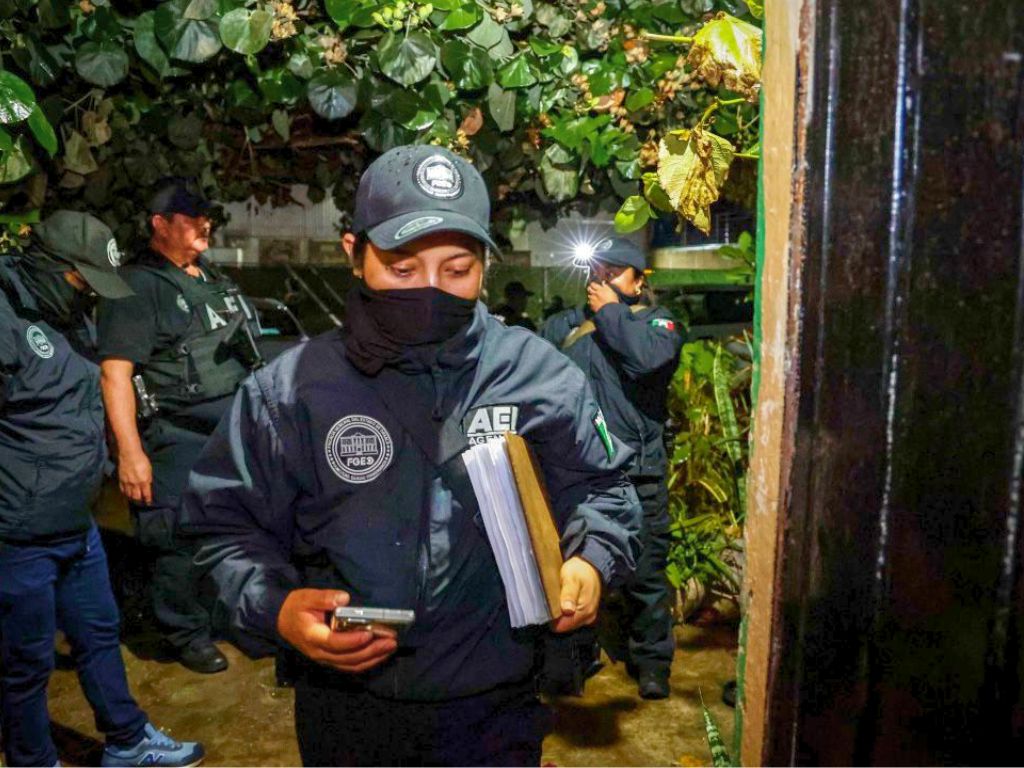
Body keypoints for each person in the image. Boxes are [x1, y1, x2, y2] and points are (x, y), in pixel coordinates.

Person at [179, 145, 641, 766]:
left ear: (484, 264)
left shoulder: (539, 374)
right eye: (402, 269)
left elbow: (605, 489)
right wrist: (278, 610)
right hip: (347, 708)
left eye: (457, 270)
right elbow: (221, 528)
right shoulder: (289, 391)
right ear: (354, 253)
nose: (430, 290)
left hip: (497, 704)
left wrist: (591, 559)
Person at [0, 210, 204, 766]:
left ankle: (127, 740)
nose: (89, 292)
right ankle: (32, 760)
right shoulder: (7, 317)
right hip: (20, 534)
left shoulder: (69, 314)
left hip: (76, 521)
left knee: (99, 633)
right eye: (81, 280)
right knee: (27, 662)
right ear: (49, 265)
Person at [97, 178, 262, 674]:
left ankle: (216, 616)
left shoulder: (207, 275)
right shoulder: (136, 286)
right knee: (175, 541)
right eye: (192, 217)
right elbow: (115, 374)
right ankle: (183, 633)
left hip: (227, 435)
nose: (205, 224)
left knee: (227, 532)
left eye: (206, 216)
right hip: (174, 437)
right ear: (160, 224)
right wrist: (130, 453)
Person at [541, 236, 684, 700]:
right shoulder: (565, 326)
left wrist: (609, 313)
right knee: (577, 568)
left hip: (638, 473)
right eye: (596, 271)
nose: (600, 280)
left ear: (638, 282)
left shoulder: (656, 324)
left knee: (646, 577)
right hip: (577, 474)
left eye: (613, 272)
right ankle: (575, 661)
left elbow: (647, 360)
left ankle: (652, 664)